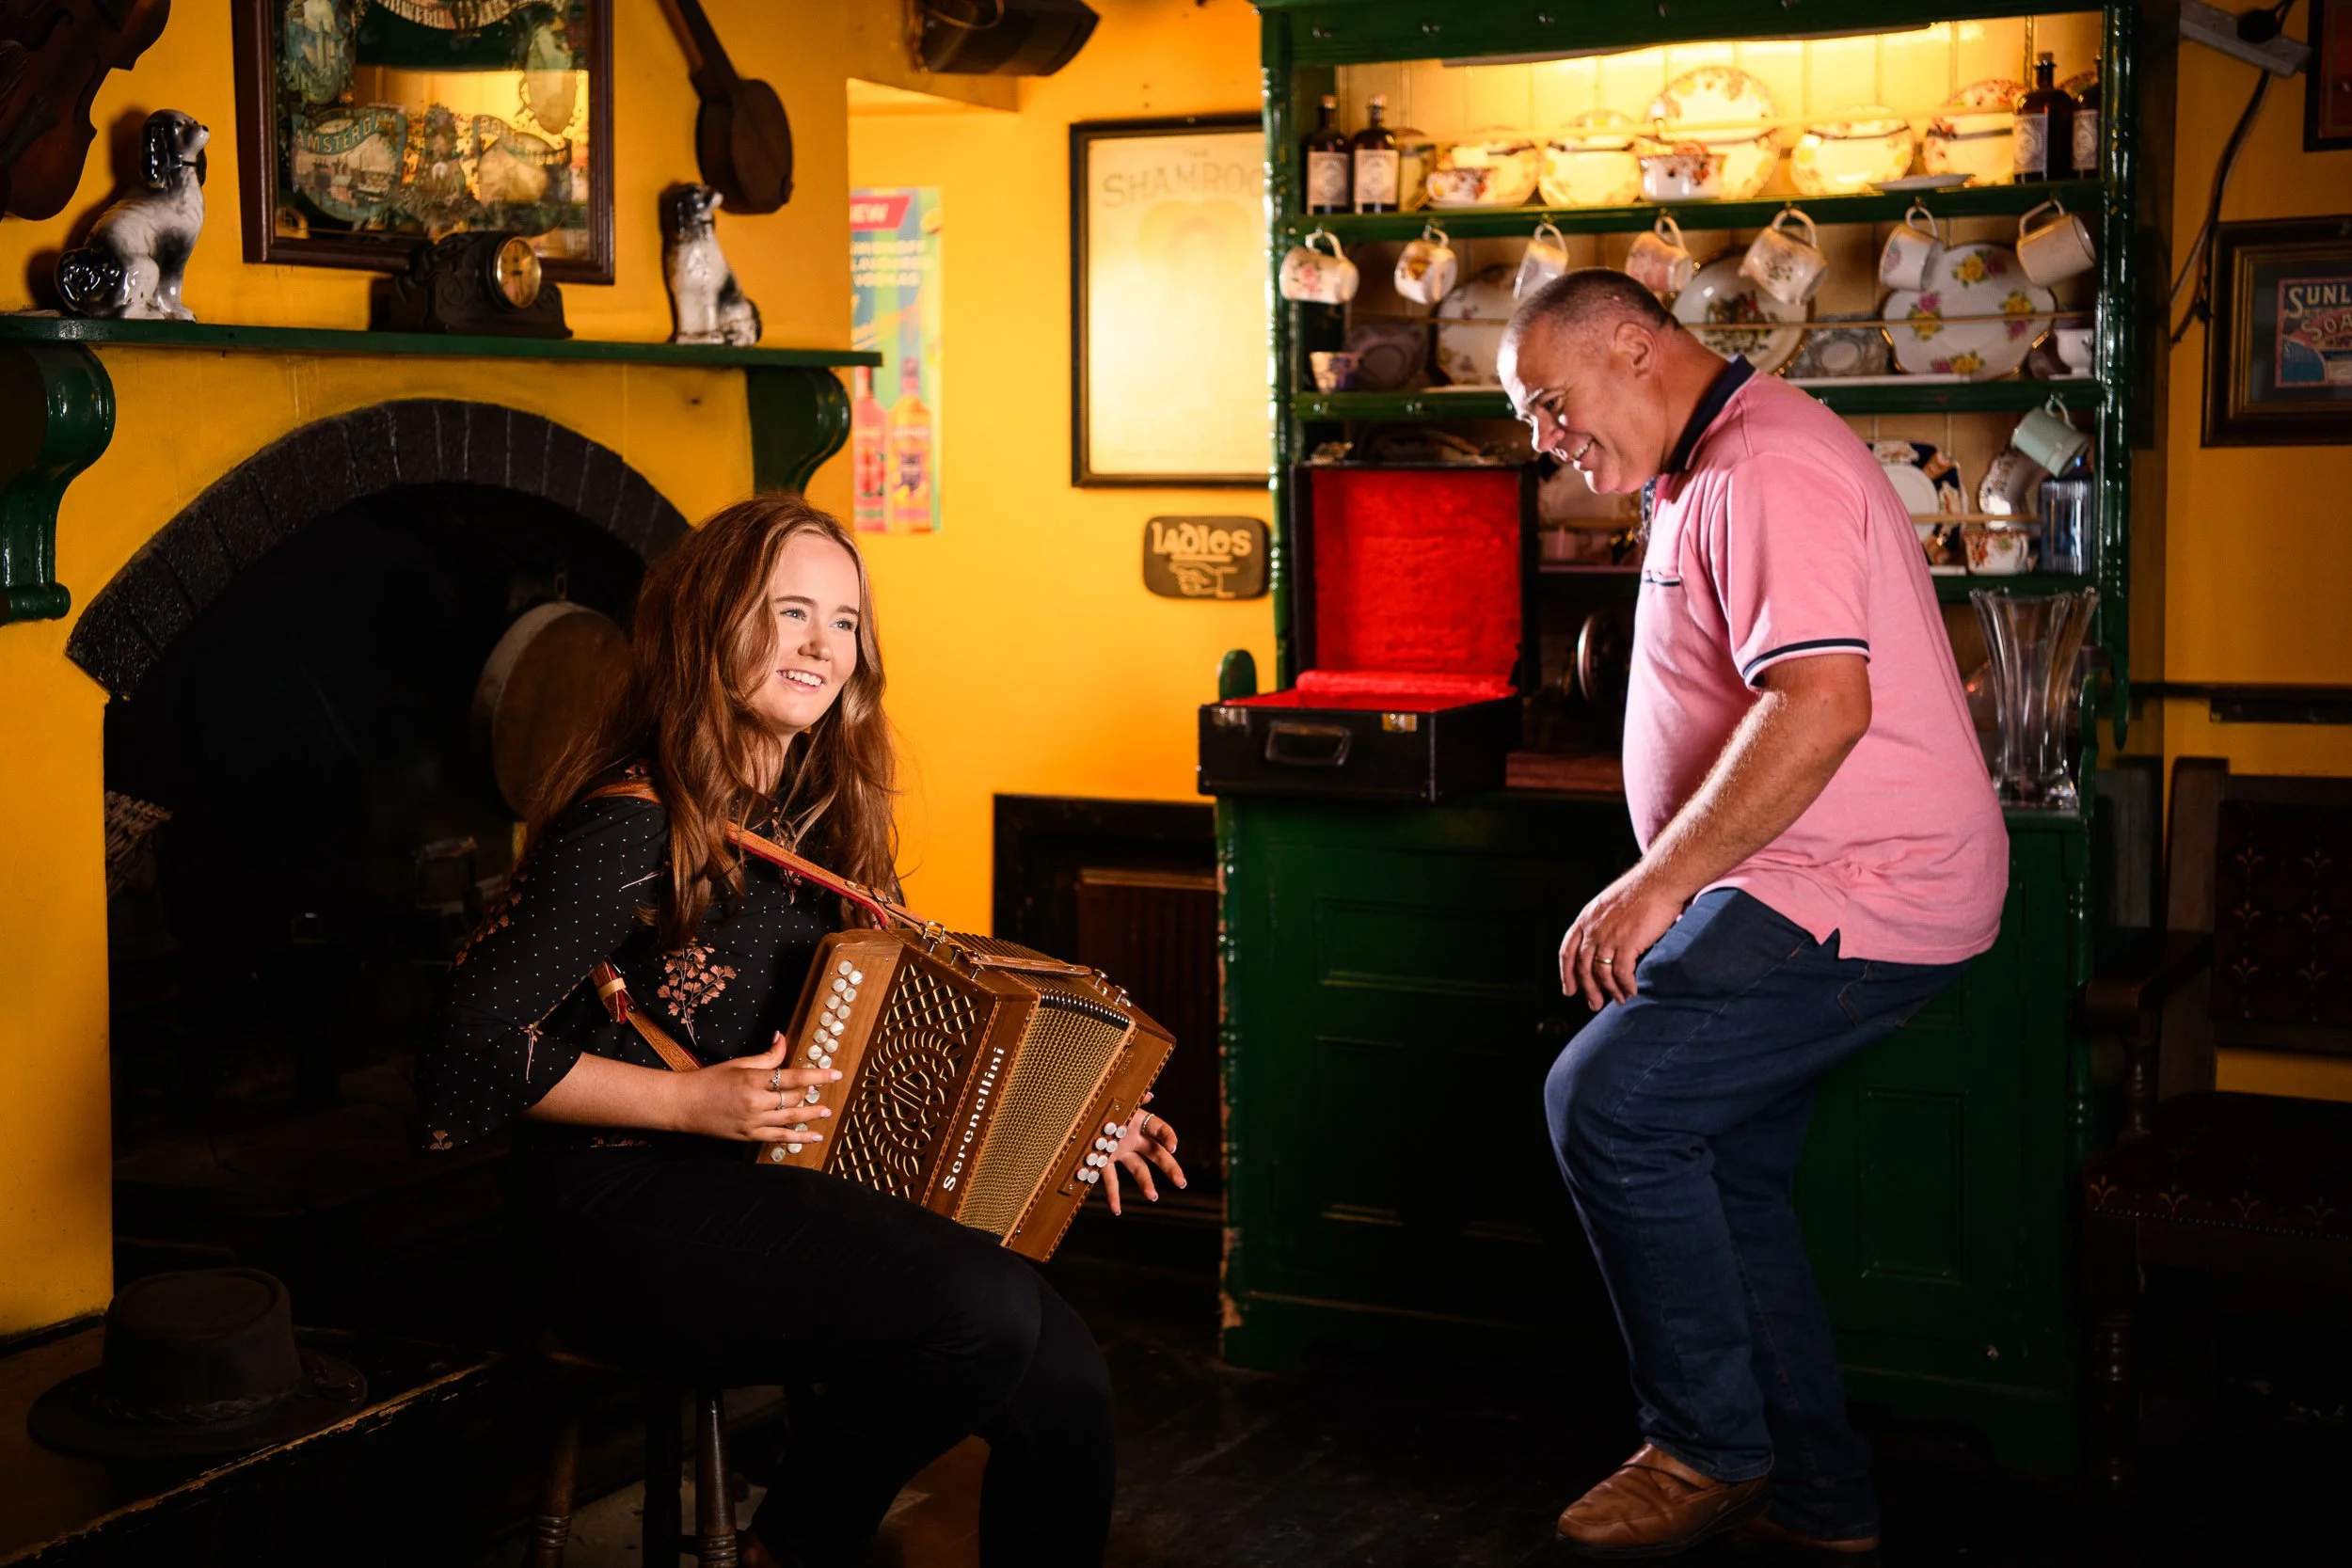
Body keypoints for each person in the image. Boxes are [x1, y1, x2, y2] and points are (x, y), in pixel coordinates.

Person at [421, 497, 1184, 1568]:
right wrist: (690, 1101)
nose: (821, 646)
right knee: (983, 1307)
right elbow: (466, 1046)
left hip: (769, 1188)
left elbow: (924, 1031)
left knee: (1063, 1378)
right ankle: (795, 1545)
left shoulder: (820, 818)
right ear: (709, 624)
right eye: (787, 612)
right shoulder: (628, 821)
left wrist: (1083, 1120)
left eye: (842, 620)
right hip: (615, 1210)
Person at [1499, 271, 2007, 1560]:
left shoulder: (1764, 465)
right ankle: (1821, 1502)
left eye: (1553, 404)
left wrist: (1657, 877)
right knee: (1722, 1169)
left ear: (1633, 343)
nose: (1547, 440)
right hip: (1797, 876)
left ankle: (1705, 1446)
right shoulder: (1706, 460)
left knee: (1606, 1102)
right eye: (1531, 418)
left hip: (1858, 885)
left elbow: (1820, 703)